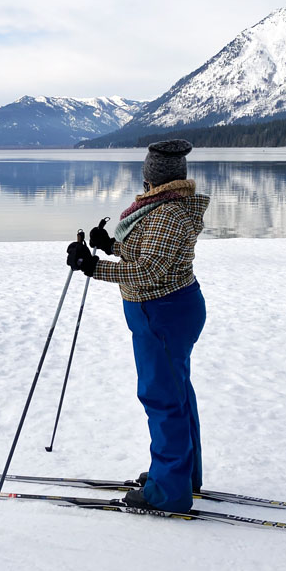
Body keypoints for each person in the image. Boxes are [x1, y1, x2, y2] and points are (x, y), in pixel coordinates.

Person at [66, 139, 209, 513]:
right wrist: (110, 245)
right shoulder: (163, 208)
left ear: (153, 178)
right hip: (166, 311)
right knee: (175, 393)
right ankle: (180, 473)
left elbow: (150, 270)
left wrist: (93, 267)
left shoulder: (166, 213)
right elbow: (149, 252)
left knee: (162, 398)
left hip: (161, 312)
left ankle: (169, 492)